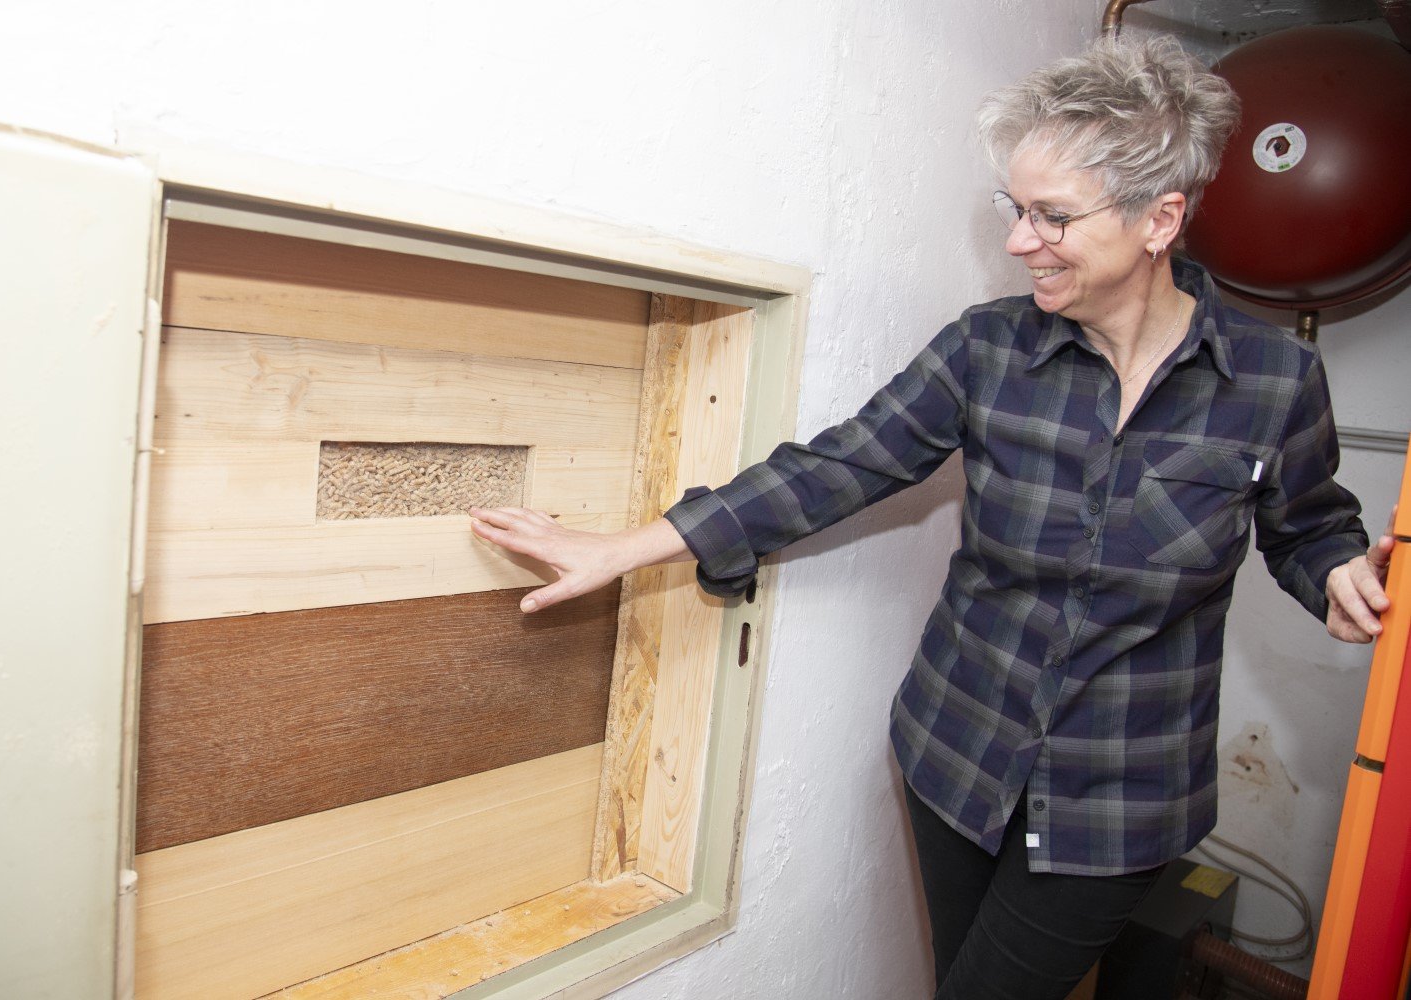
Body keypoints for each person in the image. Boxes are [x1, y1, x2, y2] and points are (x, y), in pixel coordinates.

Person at [469, 35, 1397, 1000]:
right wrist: (627, 548)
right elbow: (843, 464)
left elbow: (1308, 526)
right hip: (957, 751)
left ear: (1159, 218)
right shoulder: (988, 350)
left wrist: (1335, 573)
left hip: (1122, 794)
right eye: (1014, 209)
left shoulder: (1275, 381)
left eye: (1053, 216)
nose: (1020, 242)